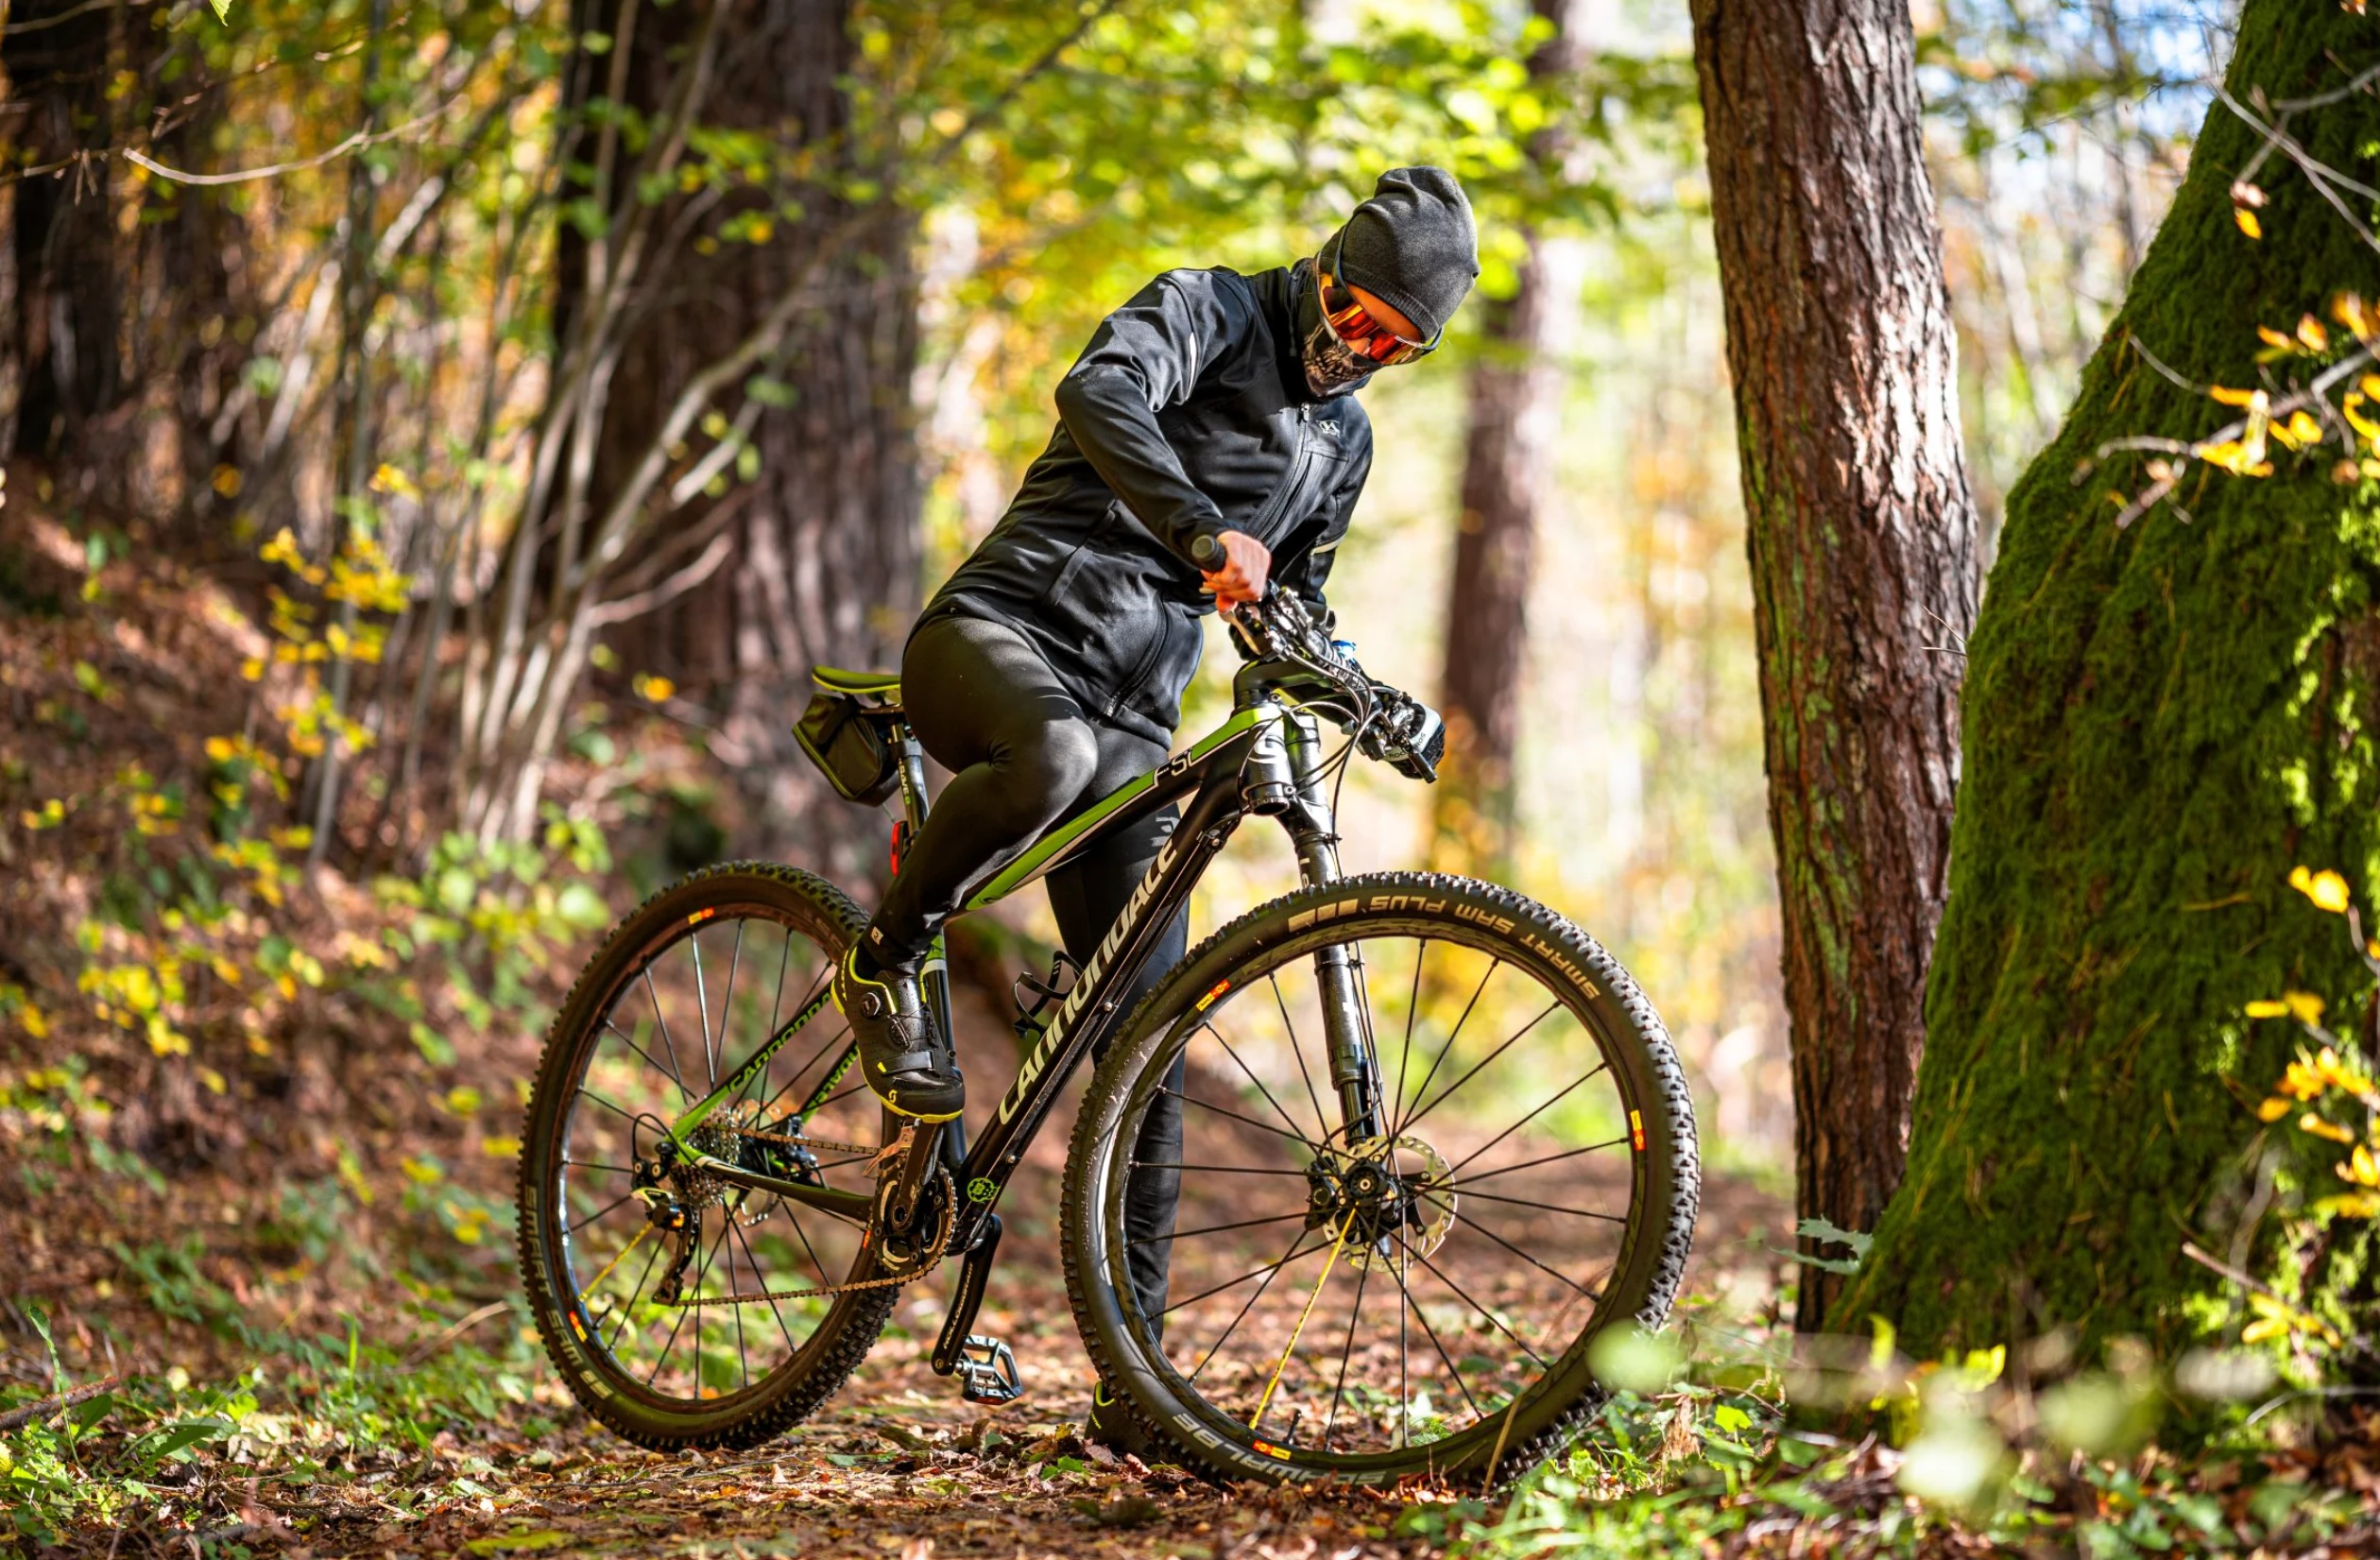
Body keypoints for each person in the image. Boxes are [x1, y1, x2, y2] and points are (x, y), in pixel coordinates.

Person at [830, 166, 1479, 1436]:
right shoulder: (1210, 310)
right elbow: (1098, 390)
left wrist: (1366, 694)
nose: (1363, 353)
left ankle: (1138, 1391)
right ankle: (883, 952)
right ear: (1327, 273)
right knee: (1053, 757)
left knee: (1152, 1041)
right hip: (998, 631)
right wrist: (1196, 532)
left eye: (1395, 346)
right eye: (1358, 320)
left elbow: (1299, 609)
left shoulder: (1341, 442)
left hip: (1136, 720)